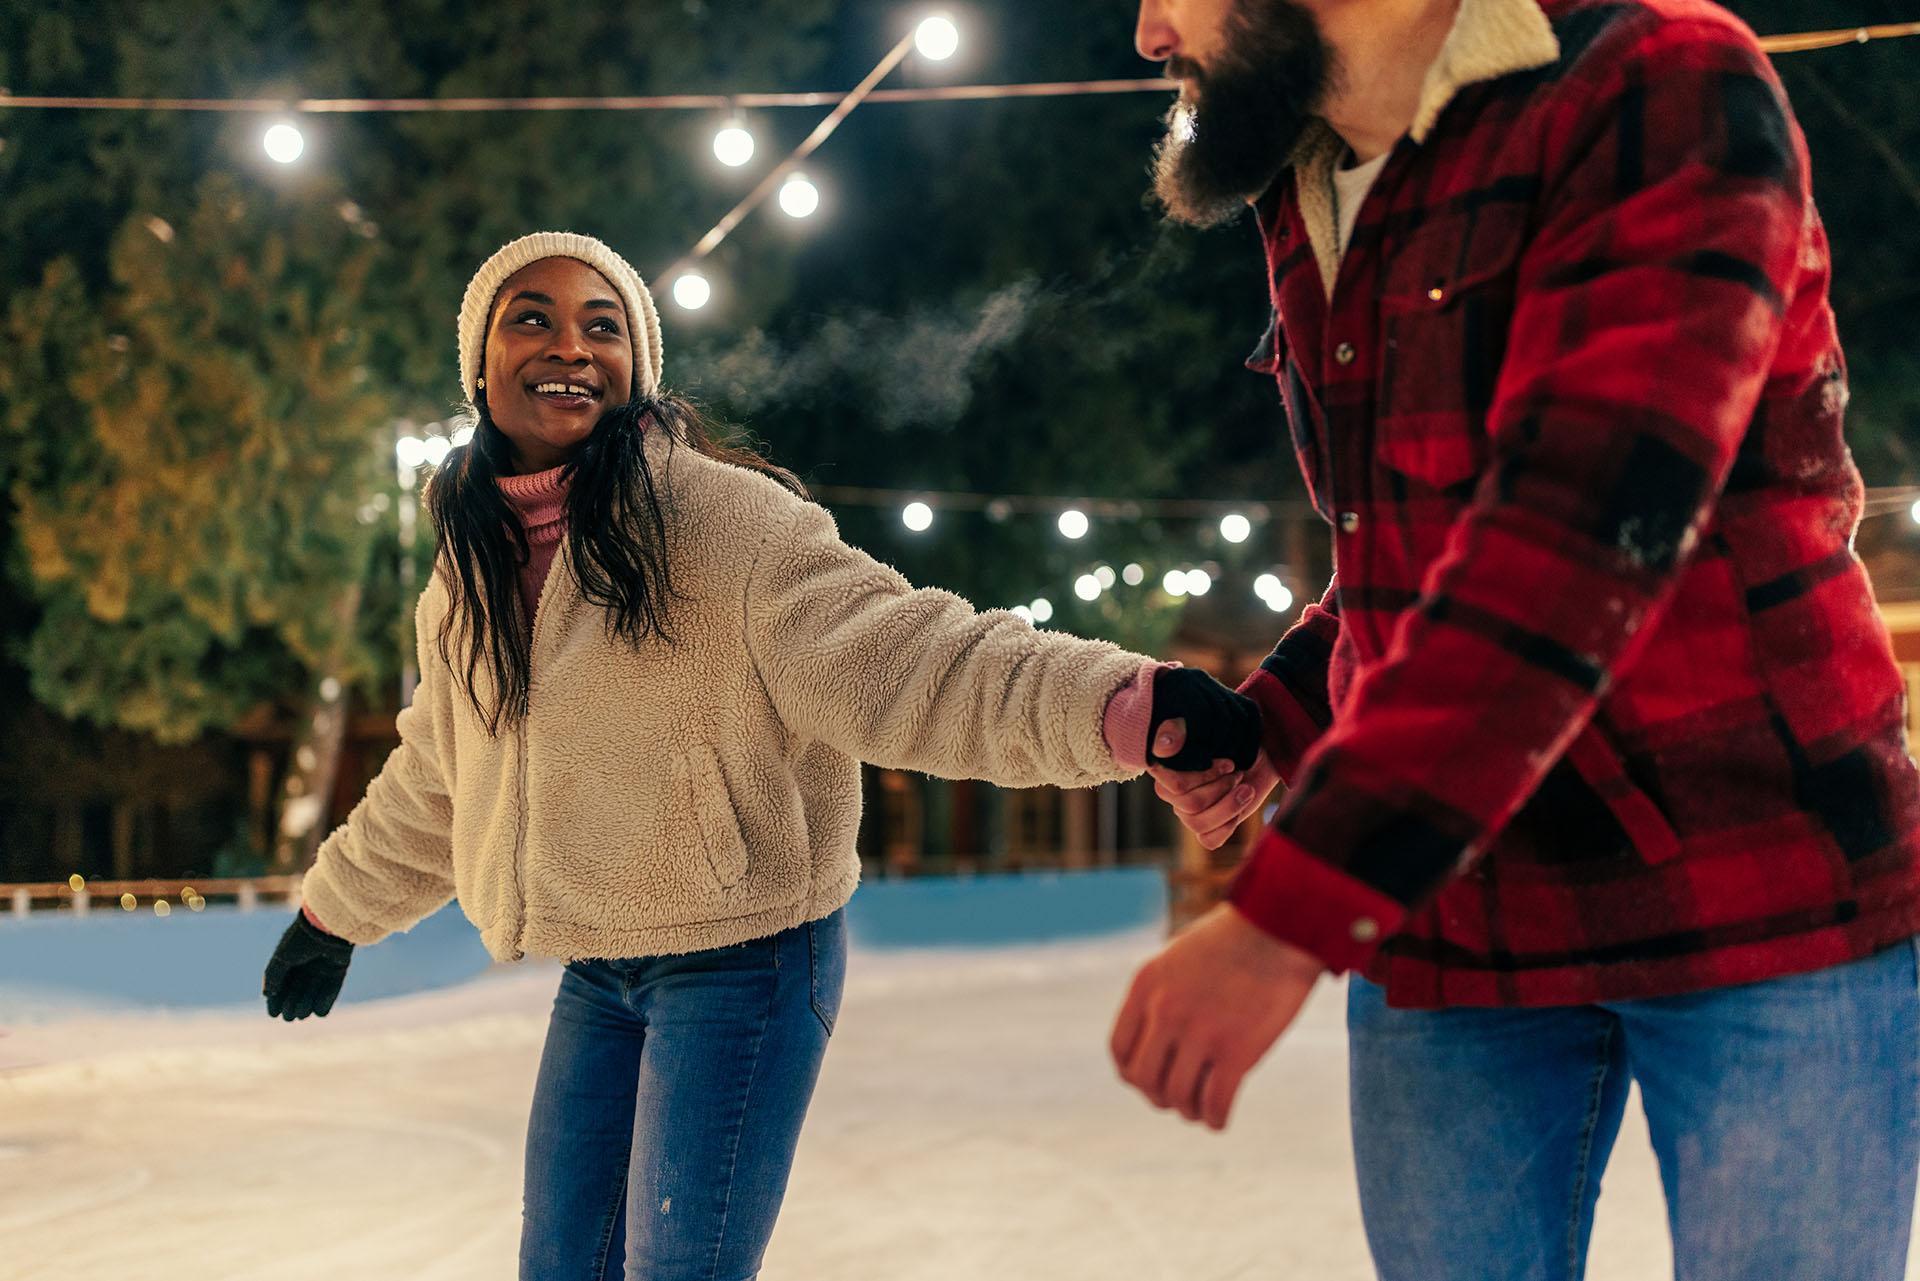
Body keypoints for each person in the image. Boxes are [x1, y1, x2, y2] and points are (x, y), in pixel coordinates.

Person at [259, 231, 1262, 1281]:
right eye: (534, 318)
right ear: (479, 363)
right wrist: (335, 914)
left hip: (746, 959)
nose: (573, 345)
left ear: (637, 371)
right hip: (601, 967)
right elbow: (440, 775)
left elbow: (911, 661)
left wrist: (1123, 703)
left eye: (605, 326)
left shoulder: (724, 527)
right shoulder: (466, 578)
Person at [1111, 1, 1920, 1278]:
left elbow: (1583, 534)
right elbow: (1413, 558)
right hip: (1457, 924)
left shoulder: (1659, 84)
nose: (1153, 33)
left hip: (1756, 888)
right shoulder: (1310, 181)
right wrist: (1275, 719)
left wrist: (1283, 922)